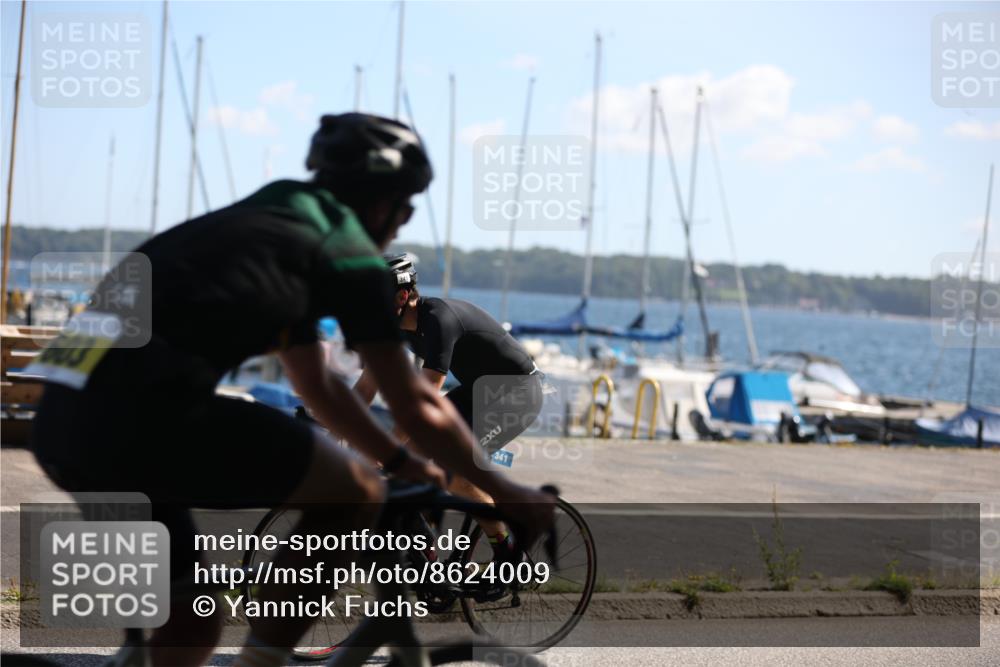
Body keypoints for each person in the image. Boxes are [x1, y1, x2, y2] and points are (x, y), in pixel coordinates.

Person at [29, 113, 554, 667]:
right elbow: (415, 400)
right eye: (406, 206)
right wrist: (508, 490)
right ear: (381, 201)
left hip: (61, 419)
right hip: (145, 414)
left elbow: (316, 382)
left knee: (191, 618)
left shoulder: (270, 216)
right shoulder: (343, 245)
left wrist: (396, 457)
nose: (402, 223)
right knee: (351, 493)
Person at [353, 254, 544, 578]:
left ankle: (509, 552)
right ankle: (429, 557)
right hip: (477, 391)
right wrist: (333, 430)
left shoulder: (438, 320)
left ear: (401, 296)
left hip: (517, 394)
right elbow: (367, 384)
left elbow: (424, 403)